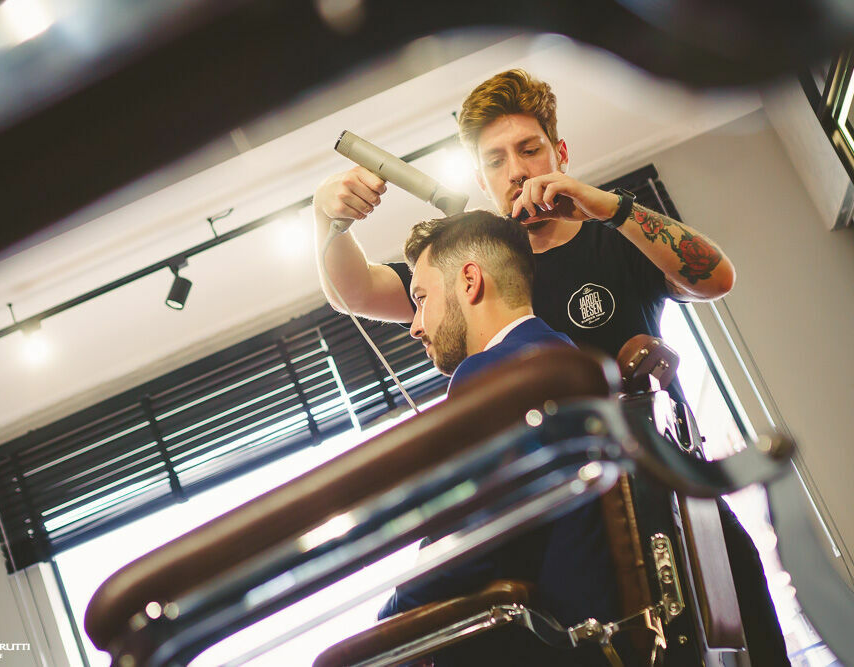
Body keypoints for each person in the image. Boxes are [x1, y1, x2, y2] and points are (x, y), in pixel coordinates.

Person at [314, 69, 787, 664]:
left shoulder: (614, 240)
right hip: (575, 538)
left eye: (530, 149)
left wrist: (607, 207)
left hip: (664, 504)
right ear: (481, 179)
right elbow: (355, 292)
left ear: (560, 153)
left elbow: (715, 277)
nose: (516, 170)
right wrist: (328, 218)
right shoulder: (479, 270)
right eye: (495, 160)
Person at [377, 210, 624, 666]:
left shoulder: (494, 376)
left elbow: (467, 549)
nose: (415, 325)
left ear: (469, 281)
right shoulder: (560, 354)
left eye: (422, 298)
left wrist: (388, 624)